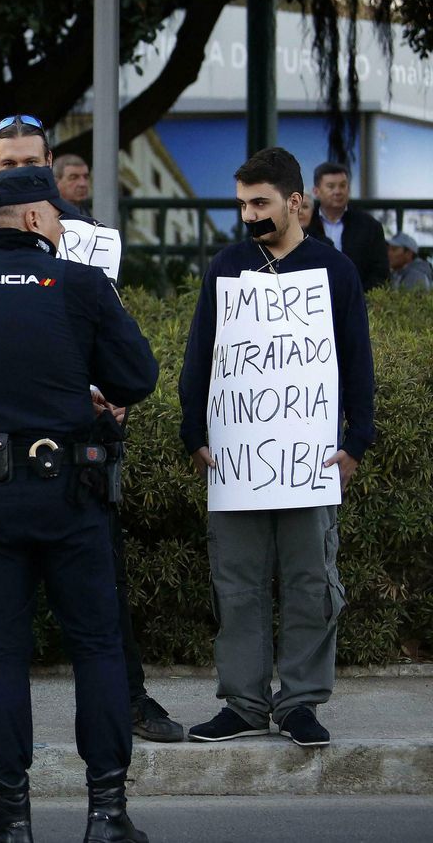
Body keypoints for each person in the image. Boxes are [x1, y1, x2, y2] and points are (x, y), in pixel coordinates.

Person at [0, 115, 181, 748]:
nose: (18, 171)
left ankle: (127, 702)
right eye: (7, 164)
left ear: (50, 164)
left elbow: (110, 344)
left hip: (66, 455)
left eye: (29, 163)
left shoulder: (91, 242)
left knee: (88, 608)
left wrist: (100, 393)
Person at [179, 147, 375, 749]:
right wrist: (194, 432)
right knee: (236, 584)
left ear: (295, 202)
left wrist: (356, 442)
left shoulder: (335, 270)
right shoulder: (227, 266)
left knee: (311, 581)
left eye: (260, 203)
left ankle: (299, 704)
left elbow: (357, 362)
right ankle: (242, 704)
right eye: (242, 205)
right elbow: (201, 353)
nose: (250, 216)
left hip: (309, 461)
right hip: (236, 459)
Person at [306, 161, 389, 290]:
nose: (337, 191)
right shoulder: (305, 223)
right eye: (331, 186)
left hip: (359, 296)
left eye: (342, 186)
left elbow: (380, 272)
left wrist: (359, 295)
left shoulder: (369, 226)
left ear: (349, 189)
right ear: (316, 191)